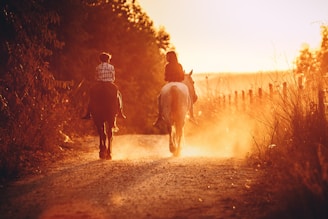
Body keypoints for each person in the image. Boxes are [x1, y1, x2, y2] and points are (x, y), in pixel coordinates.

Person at [82, 52, 126, 124]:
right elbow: (113, 77)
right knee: (118, 95)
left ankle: (88, 113)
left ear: (100, 60)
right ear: (108, 59)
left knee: (91, 97)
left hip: (99, 83)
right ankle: (120, 112)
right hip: (109, 83)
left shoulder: (97, 67)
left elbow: (96, 77)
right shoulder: (111, 67)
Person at [153, 51, 195, 126]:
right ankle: (191, 116)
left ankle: (159, 117)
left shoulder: (167, 66)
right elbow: (182, 77)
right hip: (179, 83)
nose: (166, 58)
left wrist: (168, 78)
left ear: (170, 57)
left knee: (159, 97)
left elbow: (165, 77)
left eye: (167, 56)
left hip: (170, 83)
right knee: (189, 97)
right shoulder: (179, 65)